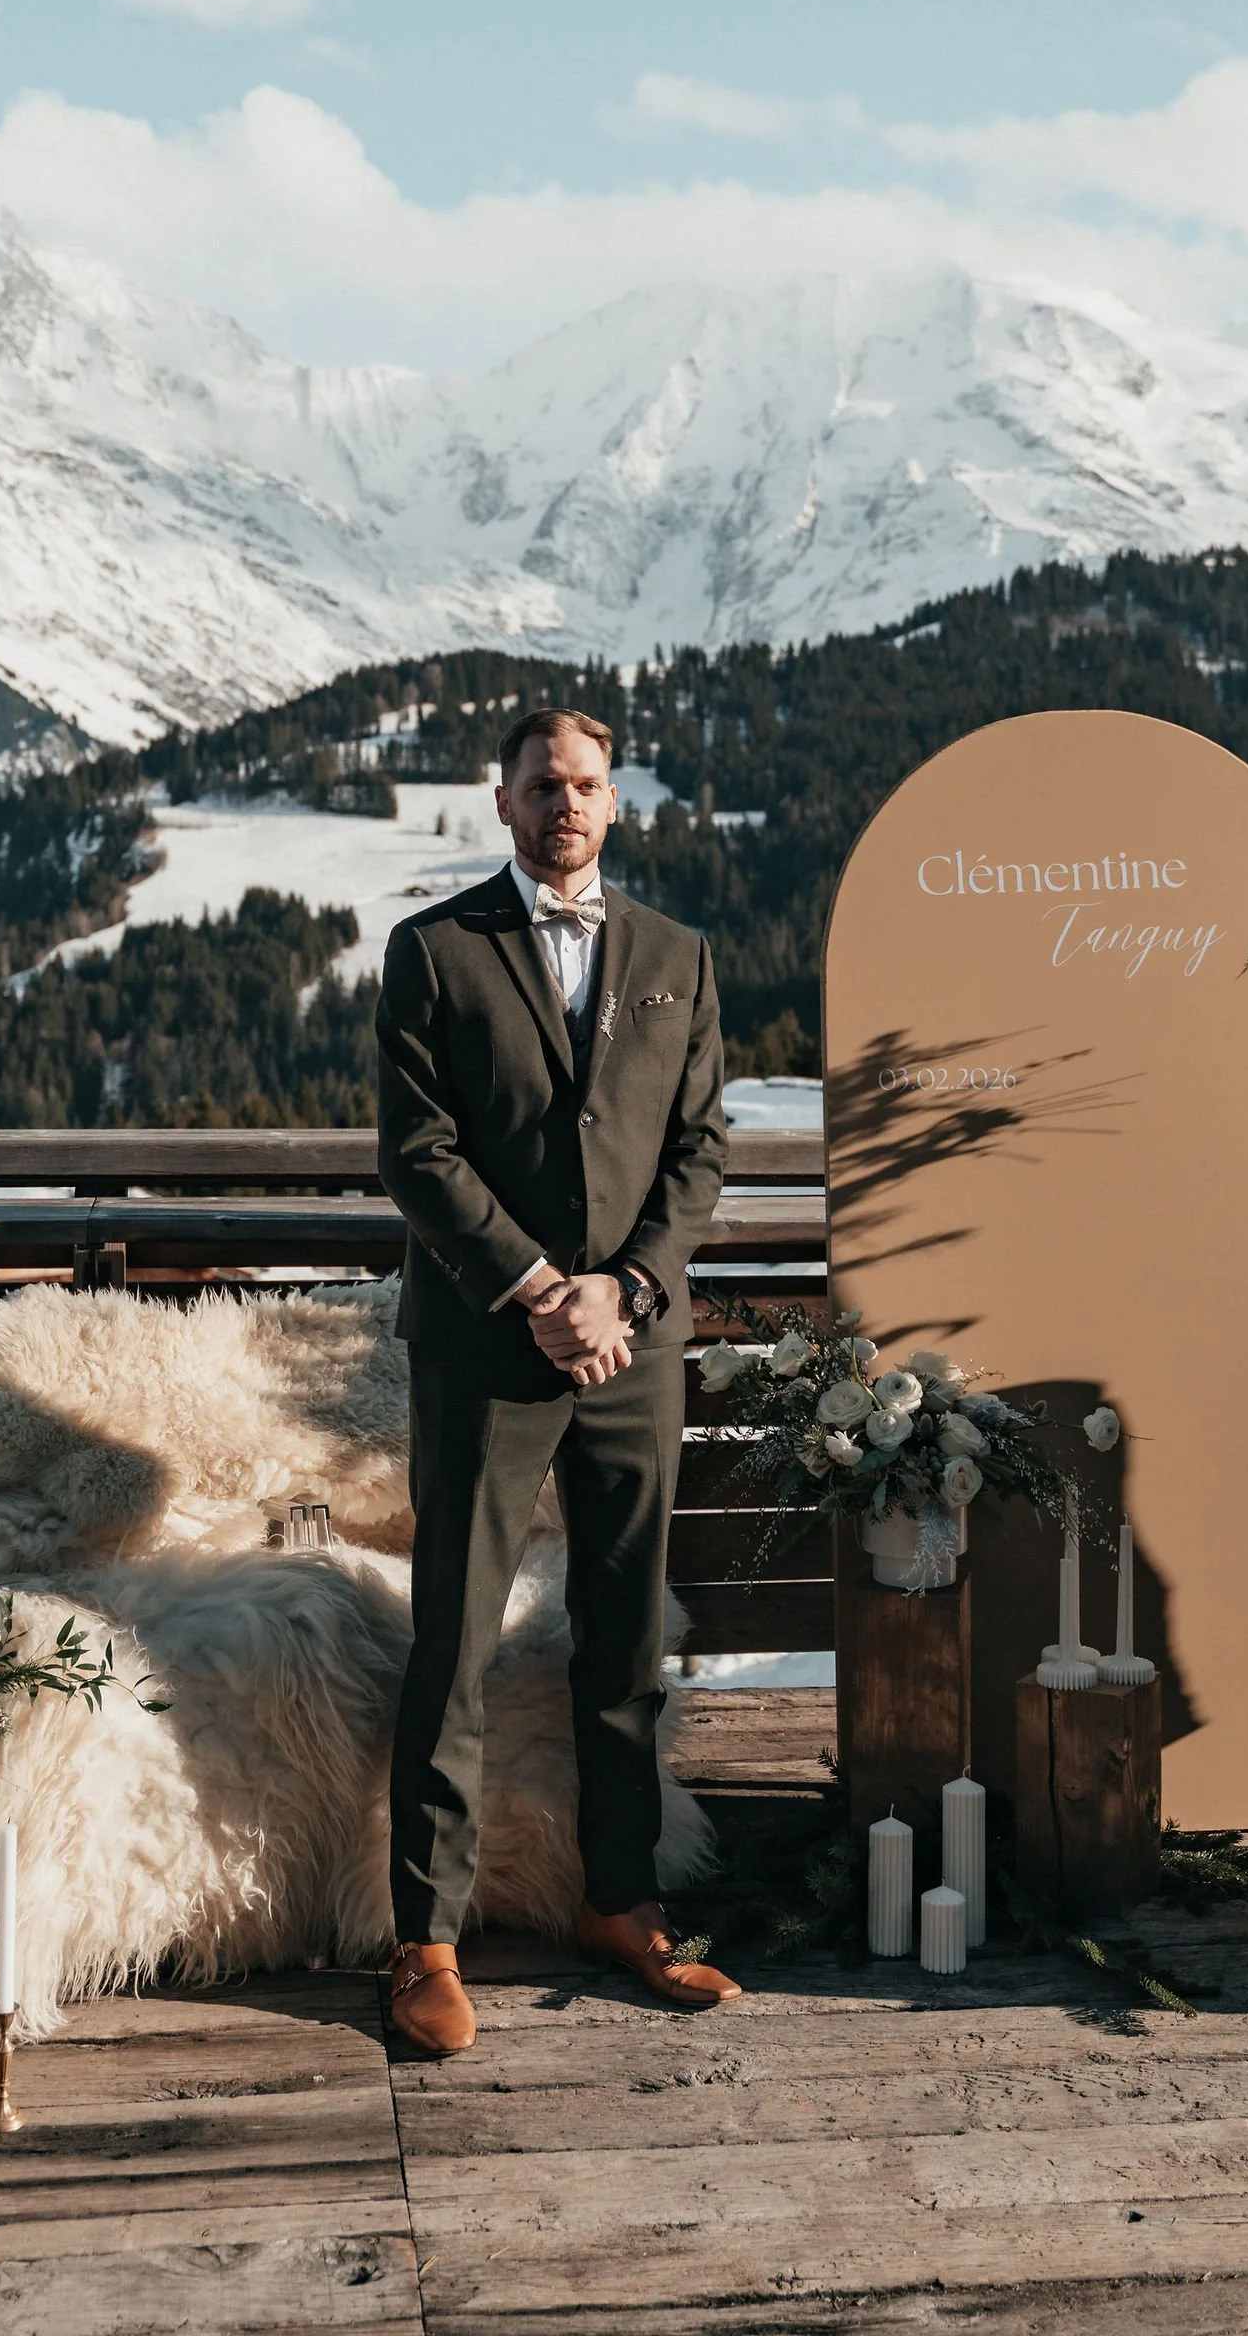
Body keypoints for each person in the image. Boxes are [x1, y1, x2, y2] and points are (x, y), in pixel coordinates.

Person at [376, 704, 736, 2055]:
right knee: (456, 1644)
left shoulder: (677, 958)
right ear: (503, 801)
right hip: (489, 1345)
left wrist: (627, 1290)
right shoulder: (434, 952)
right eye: (542, 787)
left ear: (615, 803)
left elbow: (699, 1151)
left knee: (624, 1637)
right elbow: (416, 1151)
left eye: (585, 786)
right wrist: (538, 1289)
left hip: (633, 1352)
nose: (565, 806)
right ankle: (427, 1939)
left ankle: (625, 1903)